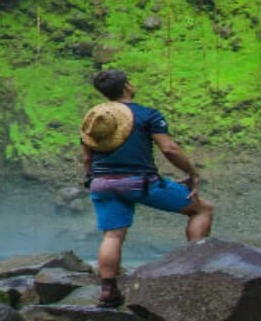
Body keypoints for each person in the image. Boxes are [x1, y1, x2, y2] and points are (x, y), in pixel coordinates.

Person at [80, 69, 214, 307]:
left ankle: (108, 291)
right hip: (138, 181)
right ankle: (196, 270)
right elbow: (169, 149)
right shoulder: (146, 115)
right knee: (202, 209)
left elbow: (87, 158)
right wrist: (192, 173)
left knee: (113, 235)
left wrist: (91, 178)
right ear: (128, 87)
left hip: (101, 183)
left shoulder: (94, 118)